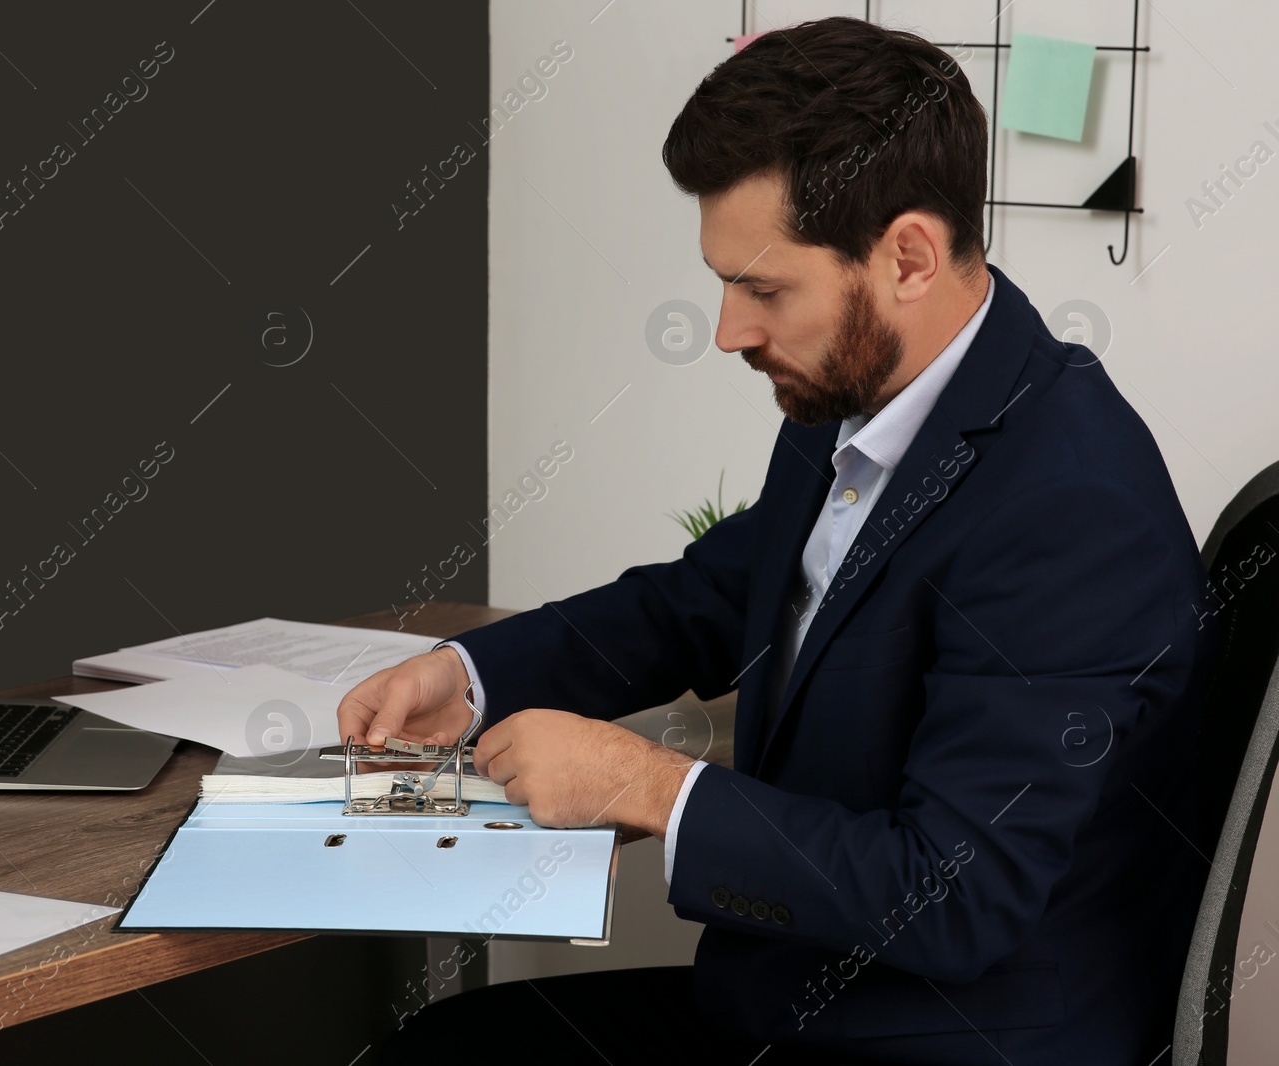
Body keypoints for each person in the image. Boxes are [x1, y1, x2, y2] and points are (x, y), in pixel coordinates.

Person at [341, 17, 1215, 1065]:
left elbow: (953, 896)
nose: (727, 332)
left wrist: (646, 785)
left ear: (907, 256)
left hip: (944, 1037)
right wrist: (474, 673)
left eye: (763, 289)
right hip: (800, 994)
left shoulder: (1070, 503)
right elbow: (707, 597)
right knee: (442, 1043)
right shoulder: (861, 398)